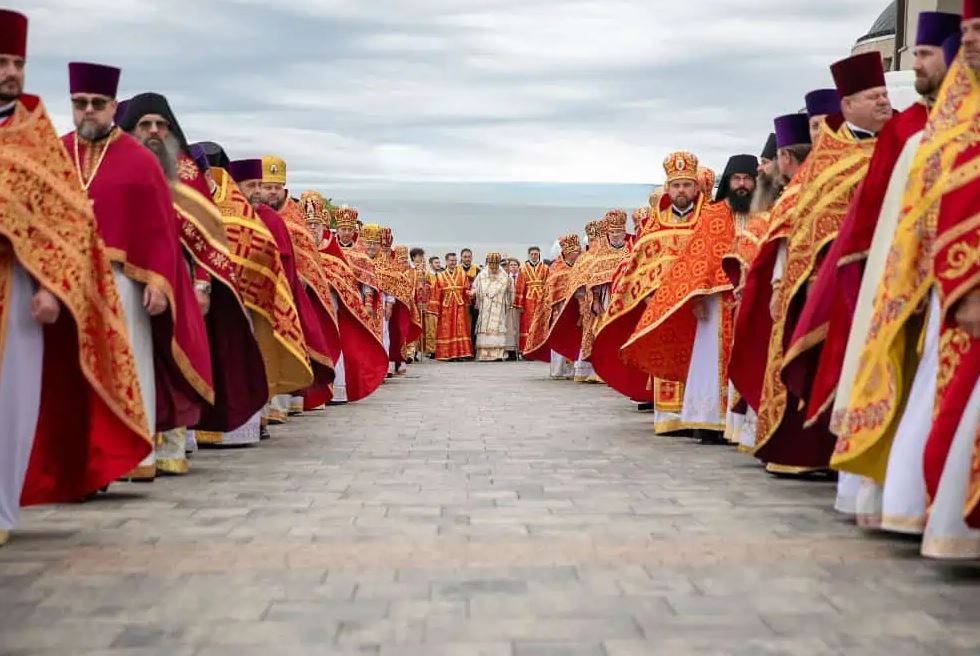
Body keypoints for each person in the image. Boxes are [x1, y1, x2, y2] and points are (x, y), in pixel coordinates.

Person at [792, 12, 959, 525]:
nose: (886, 100)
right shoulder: (905, 134)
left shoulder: (922, 129)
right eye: (916, 55)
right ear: (848, 106)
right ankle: (893, 495)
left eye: (926, 54)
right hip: (888, 276)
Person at [0, 9, 150, 546]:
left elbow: (67, 221)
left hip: (18, 285)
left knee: (11, 403)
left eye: (17, 63)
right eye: (2, 63)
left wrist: (49, 287)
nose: (11, 73)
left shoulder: (35, 136)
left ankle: (1, 510)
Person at [839, 5, 979, 557]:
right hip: (937, 283)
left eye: (926, 53)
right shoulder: (918, 134)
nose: (918, 63)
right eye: (965, 33)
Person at [63, 62, 213, 482]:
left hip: (130, 279)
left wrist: (171, 281)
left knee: (133, 360)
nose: (152, 131)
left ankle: (138, 450)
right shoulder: (58, 151)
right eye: (80, 102)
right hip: (69, 276)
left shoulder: (148, 164)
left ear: (112, 107)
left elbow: (168, 232)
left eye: (97, 103)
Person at [753, 52, 890, 472]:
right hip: (829, 283)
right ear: (847, 105)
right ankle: (817, 452)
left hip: (887, 275)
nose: (883, 101)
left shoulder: (902, 141)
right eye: (872, 95)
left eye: (884, 94)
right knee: (827, 366)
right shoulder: (827, 159)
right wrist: (783, 283)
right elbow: (797, 231)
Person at [119, 92, 267, 470]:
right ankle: (130, 444)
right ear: (130, 130)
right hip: (123, 279)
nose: (154, 132)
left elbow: (208, 236)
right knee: (130, 358)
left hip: (177, 280)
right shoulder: (115, 166)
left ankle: (171, 446)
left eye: (161, 125)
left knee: (174, 359)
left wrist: (202, 284)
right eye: (145, 125)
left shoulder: (184, 172)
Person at [622, 154, 758, 442]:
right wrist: (692, 298)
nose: (741, 184)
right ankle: (710, 421)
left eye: (747, 179)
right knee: (709, 361)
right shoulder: (714, 215)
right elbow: (697, 259)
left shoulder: (763, 213)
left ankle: (742, 425)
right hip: (713, 301)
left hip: (752, 299)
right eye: (736, 178)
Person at [193, 141, 313, 440]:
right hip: (209, 298)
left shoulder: (267, 219)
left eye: (263, 185)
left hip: (250, 301)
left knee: (249, 358)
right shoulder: (204, 207)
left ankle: (249, 425)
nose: (259, 191)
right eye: (253, 185)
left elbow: (274, 259)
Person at [591, 152, 708, 427]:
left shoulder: (709, 222)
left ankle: (700, 415)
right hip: (662, 308)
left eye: (687, 184)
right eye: (676, 185)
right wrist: (647, 298)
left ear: (696, 187)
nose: (681, 190)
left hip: (701, 307)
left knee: (700, 361)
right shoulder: (655, 227)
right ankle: (669, 417)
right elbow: (638, 269)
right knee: (666, 356)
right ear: (668, 188)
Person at [231, 159, 334, 415]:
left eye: (273, 188)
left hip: (281, 293)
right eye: (262, 186)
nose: (268, 192)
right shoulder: (235, 214)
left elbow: (298, 261)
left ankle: (278, 404)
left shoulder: (277, 220)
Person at [260, 155, 339, 411]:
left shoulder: (296, 219)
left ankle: (288, 399)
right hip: (261, 288)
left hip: (292, 292)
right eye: (268, 187)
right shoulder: (252, 212)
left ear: (284, 188)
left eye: (276, 187)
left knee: (290, 342)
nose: (272, 192)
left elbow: (308, 259)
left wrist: (301, 282)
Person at [316, 204, 387, 403]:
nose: (346, 233)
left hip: (350, 306)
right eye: (342, 229)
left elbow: (368, 284)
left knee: (348, 347)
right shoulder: (327, 248)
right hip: (328, 301)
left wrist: (367, 304)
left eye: (349, 229)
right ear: (337, 229)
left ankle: (341, 389)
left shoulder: (361, 256)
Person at [524, 234, 582, 379]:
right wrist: (558, 303)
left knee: (574, 339)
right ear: (567, 252)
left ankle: (572, 370)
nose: (578, 253)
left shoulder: (580, 267)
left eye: (578, 250)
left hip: (576, 310)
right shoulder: (557, 269)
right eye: (576, 251)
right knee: (559, 338)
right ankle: (558, 370)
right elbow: (550, 291)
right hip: (559, 310)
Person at [429, 252, 473, 361]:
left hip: (459, 306)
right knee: (447, 329)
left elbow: (466, 289)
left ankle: (461, 353)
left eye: (455, 260)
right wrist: (435, 308)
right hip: (446, 307)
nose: (453, 262)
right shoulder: (440, 276)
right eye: (451, 260)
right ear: (446, 261)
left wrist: (471, 294)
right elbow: (436, 293)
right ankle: (447, 354)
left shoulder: (462, 274)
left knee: (460, 329)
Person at [470, 252, 514, 362]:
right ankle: (484, 354)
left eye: (495, 265)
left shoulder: (505, 276)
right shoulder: (482, 275)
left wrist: (509, 301)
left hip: (499, 307)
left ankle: (498, 354)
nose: (493, 268)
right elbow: (476, 287)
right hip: (485, 306)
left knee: (498, 329)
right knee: (484, 328)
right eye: (491, 265)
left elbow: (510, 292)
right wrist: (473, 292)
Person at [514, 246, 549, 353]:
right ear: (529, 255)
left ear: (539, 255)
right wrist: (519, 304)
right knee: (527, 324)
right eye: (532, 254)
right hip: (527, 300)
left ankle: (540, 349)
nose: (534, 256)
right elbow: (519, 286)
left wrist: (548, 300)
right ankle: (526, 350)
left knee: (540, 324)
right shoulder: (523, 268)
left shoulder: (545, 268)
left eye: (536, 254)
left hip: (541, 300)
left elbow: (548, 285)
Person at [460, 247, 481, 354]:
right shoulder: (457, 270)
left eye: (469, 257)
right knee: (461, 327)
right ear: (461, 257)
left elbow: (481, 286)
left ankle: (472, 349)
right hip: (460, 303)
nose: (467, 259)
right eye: (465, 257)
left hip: (473, 303)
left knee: (473, 325)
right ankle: (462, 350)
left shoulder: (477, 270)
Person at [504, 258, 522, 360]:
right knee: (509, 329)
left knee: (518, 328)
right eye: (511, 265)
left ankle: (519, 350)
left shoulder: (522, 278)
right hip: (509, 307)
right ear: (508, 267)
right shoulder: (506, 278)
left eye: (515, 265)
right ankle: (510, 351)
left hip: (519, 307)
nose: (513, 267)